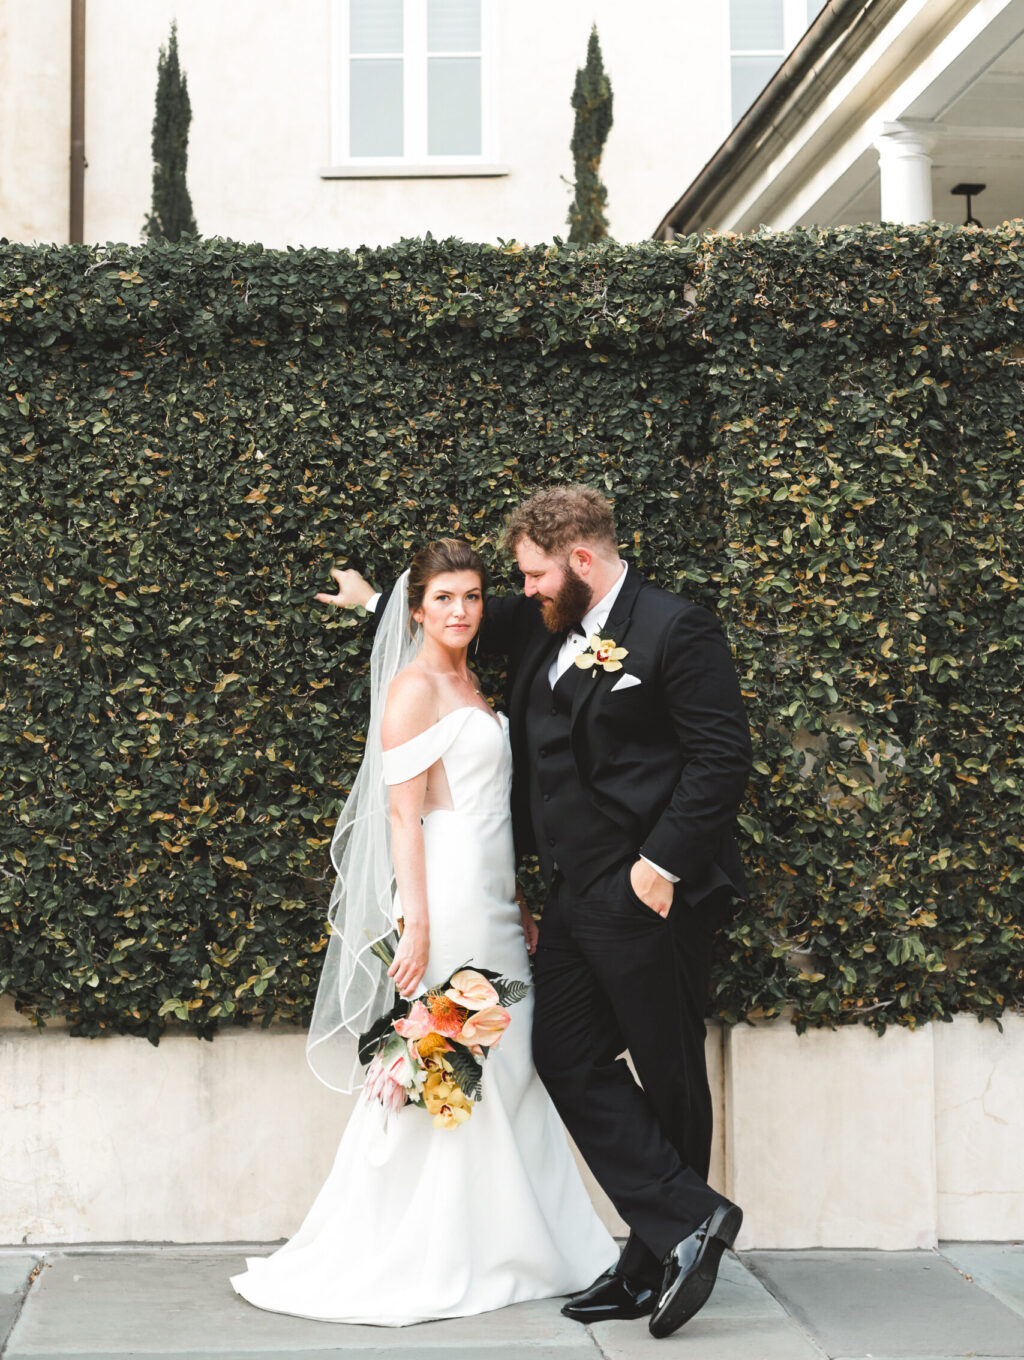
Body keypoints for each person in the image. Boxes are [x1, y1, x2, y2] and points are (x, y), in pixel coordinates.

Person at [340, 487, 753, 1340]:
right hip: (568, 898)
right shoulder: (545, 625)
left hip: (648, 891)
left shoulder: (677, 628)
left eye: (530, 574)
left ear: (583, 562)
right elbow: (451, 619)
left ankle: (652, 1260)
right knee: (562, 1055)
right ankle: (688, 1218)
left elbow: (722, 755)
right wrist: (380, 602)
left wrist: (659, 865)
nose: (518, 590)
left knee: (671, 1072)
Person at [230, 537, 617, 1326]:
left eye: (473, 597)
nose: (461, 611)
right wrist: (416, 924)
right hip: (446, 894)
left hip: (494, 893)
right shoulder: (411, 688)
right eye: (445, 598)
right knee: (446, 1055)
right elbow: (404, 816)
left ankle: (514, 1241)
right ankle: (429, 1246)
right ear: (417, 609)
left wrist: (519, 901)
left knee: (505, 1061)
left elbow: (488, 805)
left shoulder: (473, 679)